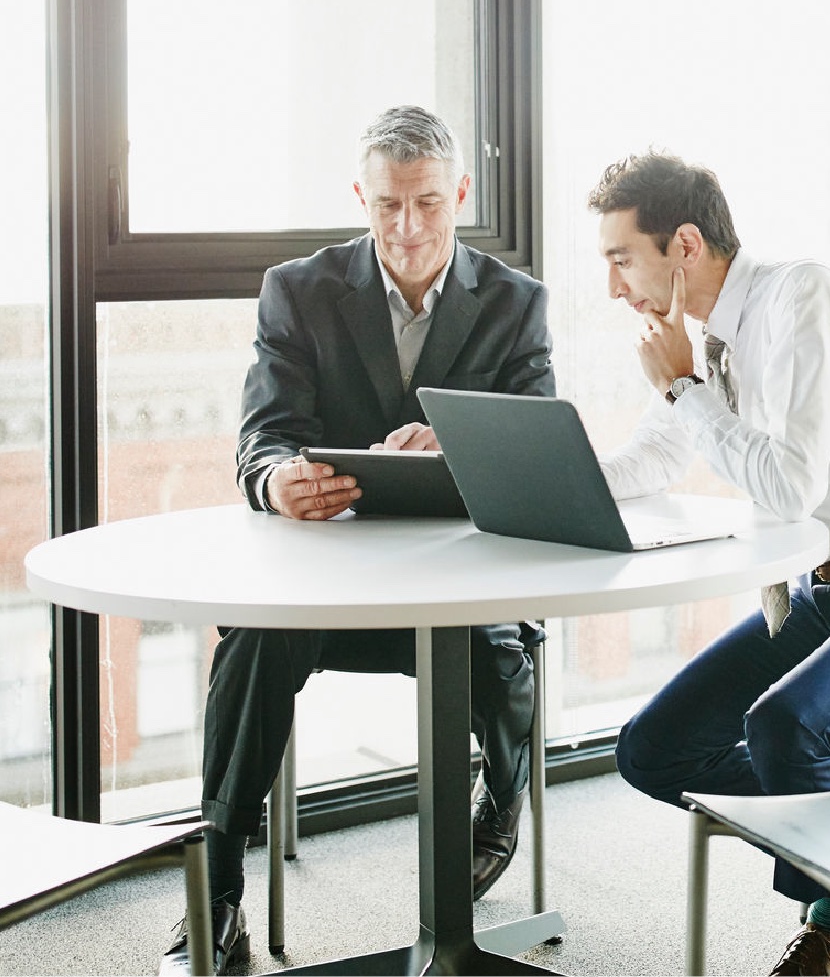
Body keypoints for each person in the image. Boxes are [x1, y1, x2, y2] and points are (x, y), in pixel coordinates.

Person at [160, 106, 555, 976]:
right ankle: (215, 887)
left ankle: (501, 804)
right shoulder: (298, 289)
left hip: (460, 586)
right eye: (385, 206)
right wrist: (275, 482)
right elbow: (260, 437)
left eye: (424, 204)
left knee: (500, 651)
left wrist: (459, 445)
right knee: (252, 639)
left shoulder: (516, 304)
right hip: (329, 589)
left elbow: (538, 453)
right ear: (360, 197)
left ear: (458, 193)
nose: (405, 229)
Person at [587, 151, 830, 977]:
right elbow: (652, 458)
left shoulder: (803, 298)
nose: (615, 286)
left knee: (786, 725)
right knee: (652, 748)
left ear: (683, 243)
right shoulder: (702, 341)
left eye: (622, 258)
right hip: (822, 587)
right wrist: (548, 475)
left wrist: (686, 389)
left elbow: (791, 490)